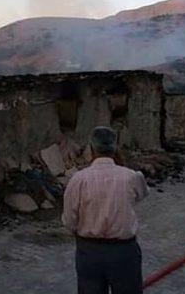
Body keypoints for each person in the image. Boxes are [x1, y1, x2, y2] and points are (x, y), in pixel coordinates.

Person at [62, 126, 149, 294]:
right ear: (115, 148)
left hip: (89, 252)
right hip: (124, 252)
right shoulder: (132, 176)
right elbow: (142, 194)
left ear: (92, 149)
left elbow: (69, 221)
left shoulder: (78, 179)